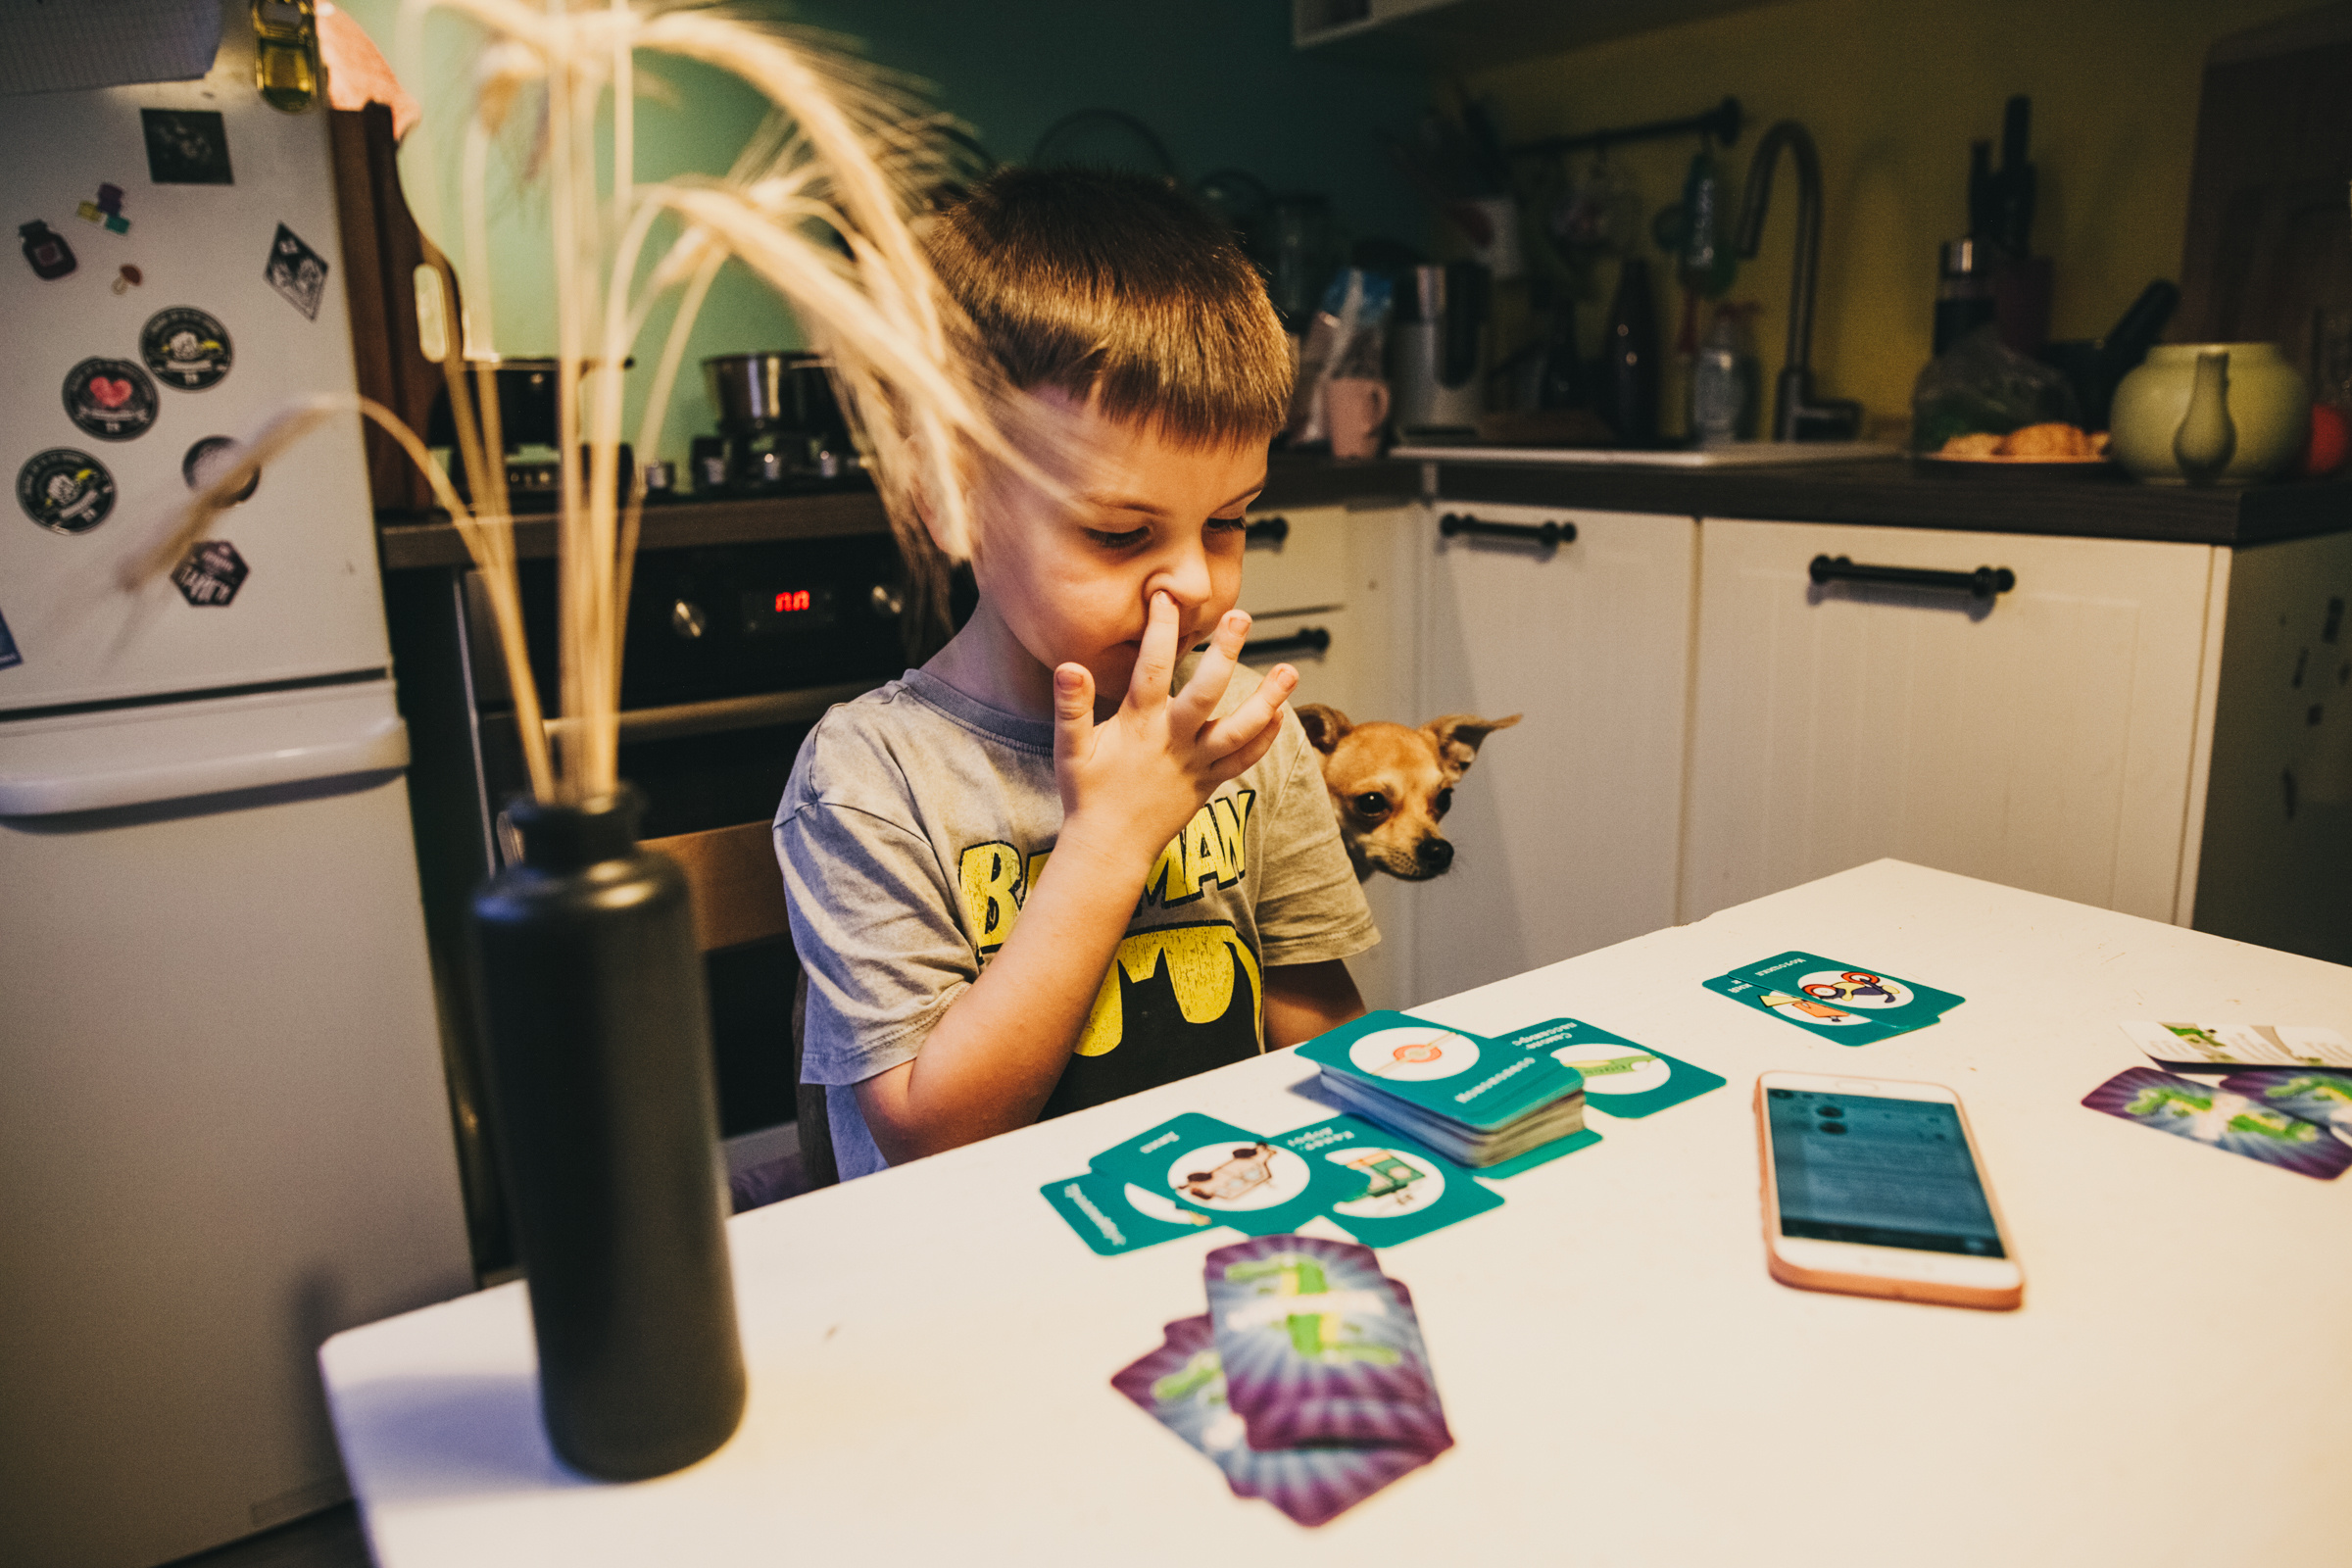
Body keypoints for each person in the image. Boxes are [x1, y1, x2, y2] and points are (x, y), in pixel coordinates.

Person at [775, 168, 1375, 1179]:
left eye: (1230, 520)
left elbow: (1314, 1027)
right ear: (953, 500)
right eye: (1121, 532)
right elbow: (932, 1137)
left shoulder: (1231, 730)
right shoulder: (871, 781)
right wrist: (1112, 837)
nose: (1193, 579)